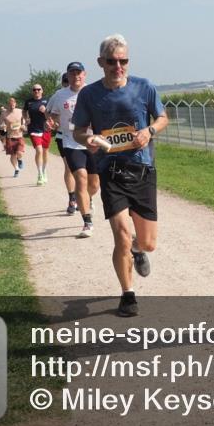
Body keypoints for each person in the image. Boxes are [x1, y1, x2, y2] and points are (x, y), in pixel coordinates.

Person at [72, 34, 168, 317]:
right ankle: (128, 294)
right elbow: (78, 131)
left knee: (148, 242)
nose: (118, 66)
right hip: (111, 171)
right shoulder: (89, 94)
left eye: (123, 61)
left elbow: (162, 118)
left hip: (142, 170)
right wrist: (88, 139)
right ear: (101, 62)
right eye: (112, 61)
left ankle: (139, 251)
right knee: (122, 236)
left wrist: (149, 131)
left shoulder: (144, 87)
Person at [48, 63, 100, 238]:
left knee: (94, 184)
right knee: (81, 178)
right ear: (67, 76)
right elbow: (52, 115)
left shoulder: (94, 91)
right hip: (71, 142)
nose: (76, 76)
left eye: (79, 73)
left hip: (93, 142)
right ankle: (87, 222)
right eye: (72, 73)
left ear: (85, 74)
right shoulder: (60, 95)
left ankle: (87, 198)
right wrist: (52, 123)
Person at [46, 72, 78, 214]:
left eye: (68, 81)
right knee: (69, 168)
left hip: (83, 136)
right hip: (63, 136)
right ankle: (72, 199)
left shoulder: (84, 92)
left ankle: (85, 195)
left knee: (87, 172)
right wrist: (54, 122)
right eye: (65, 81)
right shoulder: (58, 95)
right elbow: (47, 112)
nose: (67, 84)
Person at [24, 84, 52, 186]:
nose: (36, 91)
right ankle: (39, 174)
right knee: (39, 150)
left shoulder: (47, 101)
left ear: (42, 91)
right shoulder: (29, 102)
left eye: (38, 89)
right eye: (34, 90)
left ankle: (44, 171)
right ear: (32, 91)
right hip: (34, 129)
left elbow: (51, 116)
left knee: (45, 152)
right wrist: (26, 118)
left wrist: (45, 111)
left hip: (45, 129)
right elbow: (24, 111)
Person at [0, 97, 26, 177]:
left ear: (15, 104)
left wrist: (23, 125)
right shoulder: (4, 113)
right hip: (10, 137)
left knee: (19, 152)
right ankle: (16, 169)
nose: (12, 106)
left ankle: (20, 159)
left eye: (13, 104)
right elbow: (0, 124)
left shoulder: (20, 111)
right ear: (8, 105)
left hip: (19, 135)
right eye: (10, 105)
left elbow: (24, 120)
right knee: (12, 155)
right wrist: (3, 126)